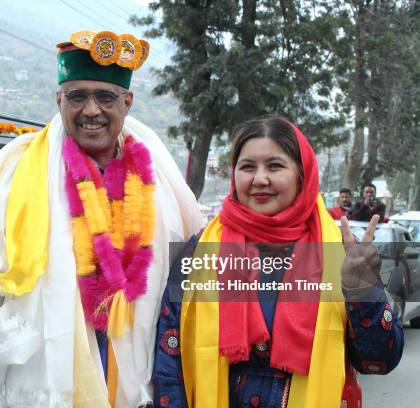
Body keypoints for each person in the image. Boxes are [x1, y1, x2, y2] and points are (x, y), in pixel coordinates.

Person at [0, 30, 203, 408]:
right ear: (59, 99)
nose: (91, 110)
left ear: (127, 102)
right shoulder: (12, 174)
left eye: (106, 97)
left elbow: (191, 288)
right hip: (49, 384)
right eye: (78, 96)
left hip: (143, 381)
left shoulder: (162, 182)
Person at [153, 115, 403, 407]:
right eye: (247, 167)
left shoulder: (342, 254)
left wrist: (363, 293)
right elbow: (169, 362)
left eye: (274, 166)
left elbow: (380, 360)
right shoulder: (200, 251)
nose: (259, 179)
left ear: (302, 174)